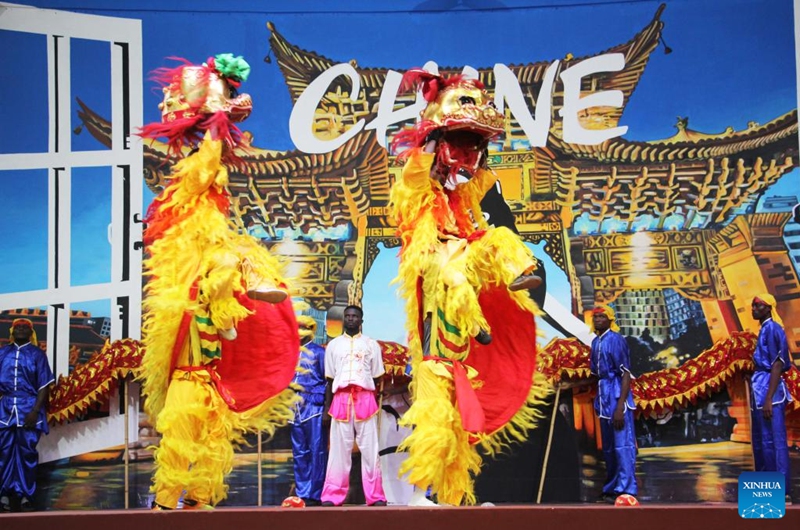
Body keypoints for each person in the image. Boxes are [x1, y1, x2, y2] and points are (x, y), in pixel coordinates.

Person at [138, 54, 300, 510]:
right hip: (191, 358)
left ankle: (203, 506)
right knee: (226, 260)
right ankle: (167, 505)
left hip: (211, 381)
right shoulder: (192, 179)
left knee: (213, 447)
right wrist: (214, 125)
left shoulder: (211, 184)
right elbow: (207, 164)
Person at [390, 70, 549, 506]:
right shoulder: (418, 189)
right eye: (458, 148)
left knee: (499, 238)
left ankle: (454, 496)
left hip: (455, 308)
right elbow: (416, 173)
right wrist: (430, 135)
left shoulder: (462, 200)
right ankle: (425, 491)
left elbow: (479, 182)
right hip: (433, 272)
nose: (465, 162)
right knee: (435, 407)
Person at [320, 305, 387, 506]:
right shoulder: (333, 346)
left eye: (354, 316)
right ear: (343, 320)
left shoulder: (371, 345)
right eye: (347, 316)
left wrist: (369, 397)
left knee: (370, 450)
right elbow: (330, 380)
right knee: (338, 451)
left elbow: (376, 377)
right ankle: (332, 496)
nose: (351, 319)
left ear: (361, 321)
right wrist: (326, 410)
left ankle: (375, 497)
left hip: (365, 399)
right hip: (340, 400)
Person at [0, 319, 55, 512]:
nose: (21, 329)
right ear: (12, 331)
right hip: (5, 409)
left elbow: (43, 386)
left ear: (31, 332)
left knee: (27, 453)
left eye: (26, 327)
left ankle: (25, 495)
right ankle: (4, 495)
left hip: (29, 410)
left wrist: (34, 411)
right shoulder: (2, 353)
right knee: (4, 452)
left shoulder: (38, 355)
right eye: (18, 327)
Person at [589, 305, 637, 503]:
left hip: (617, 395)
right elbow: (595, 374)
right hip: (603, 397)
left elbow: (625, 373)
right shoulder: (594, 342)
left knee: (622, 445)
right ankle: (611, 487)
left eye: (602, 317)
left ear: (610, 320)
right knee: (608, 447)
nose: (598, 320)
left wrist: (620, 406)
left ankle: (626, 489)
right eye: (596, 317)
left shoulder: (616, 339)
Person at [749, 294, 792, 502]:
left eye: (758, 305)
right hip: (761, 387)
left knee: (775, 442)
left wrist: (769, 398)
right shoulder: (763, 329)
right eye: (753, 305)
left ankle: (782, 492)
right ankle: (766, 490)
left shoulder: (774, 329)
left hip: (770, 391)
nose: (754, 308)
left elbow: (777, 363)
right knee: (762, 442)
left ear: (768, 308)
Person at [289, 316, 328, 506]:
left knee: (316, 451)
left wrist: (323, 403)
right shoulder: (289, 353)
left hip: (313, 407)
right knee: (299, 452)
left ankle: (315, 494)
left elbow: (327, 380)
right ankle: (302, 492)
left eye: (303, 327)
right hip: (294, 406)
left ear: (310, 329)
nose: (299, 330)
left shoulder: (319, 352)